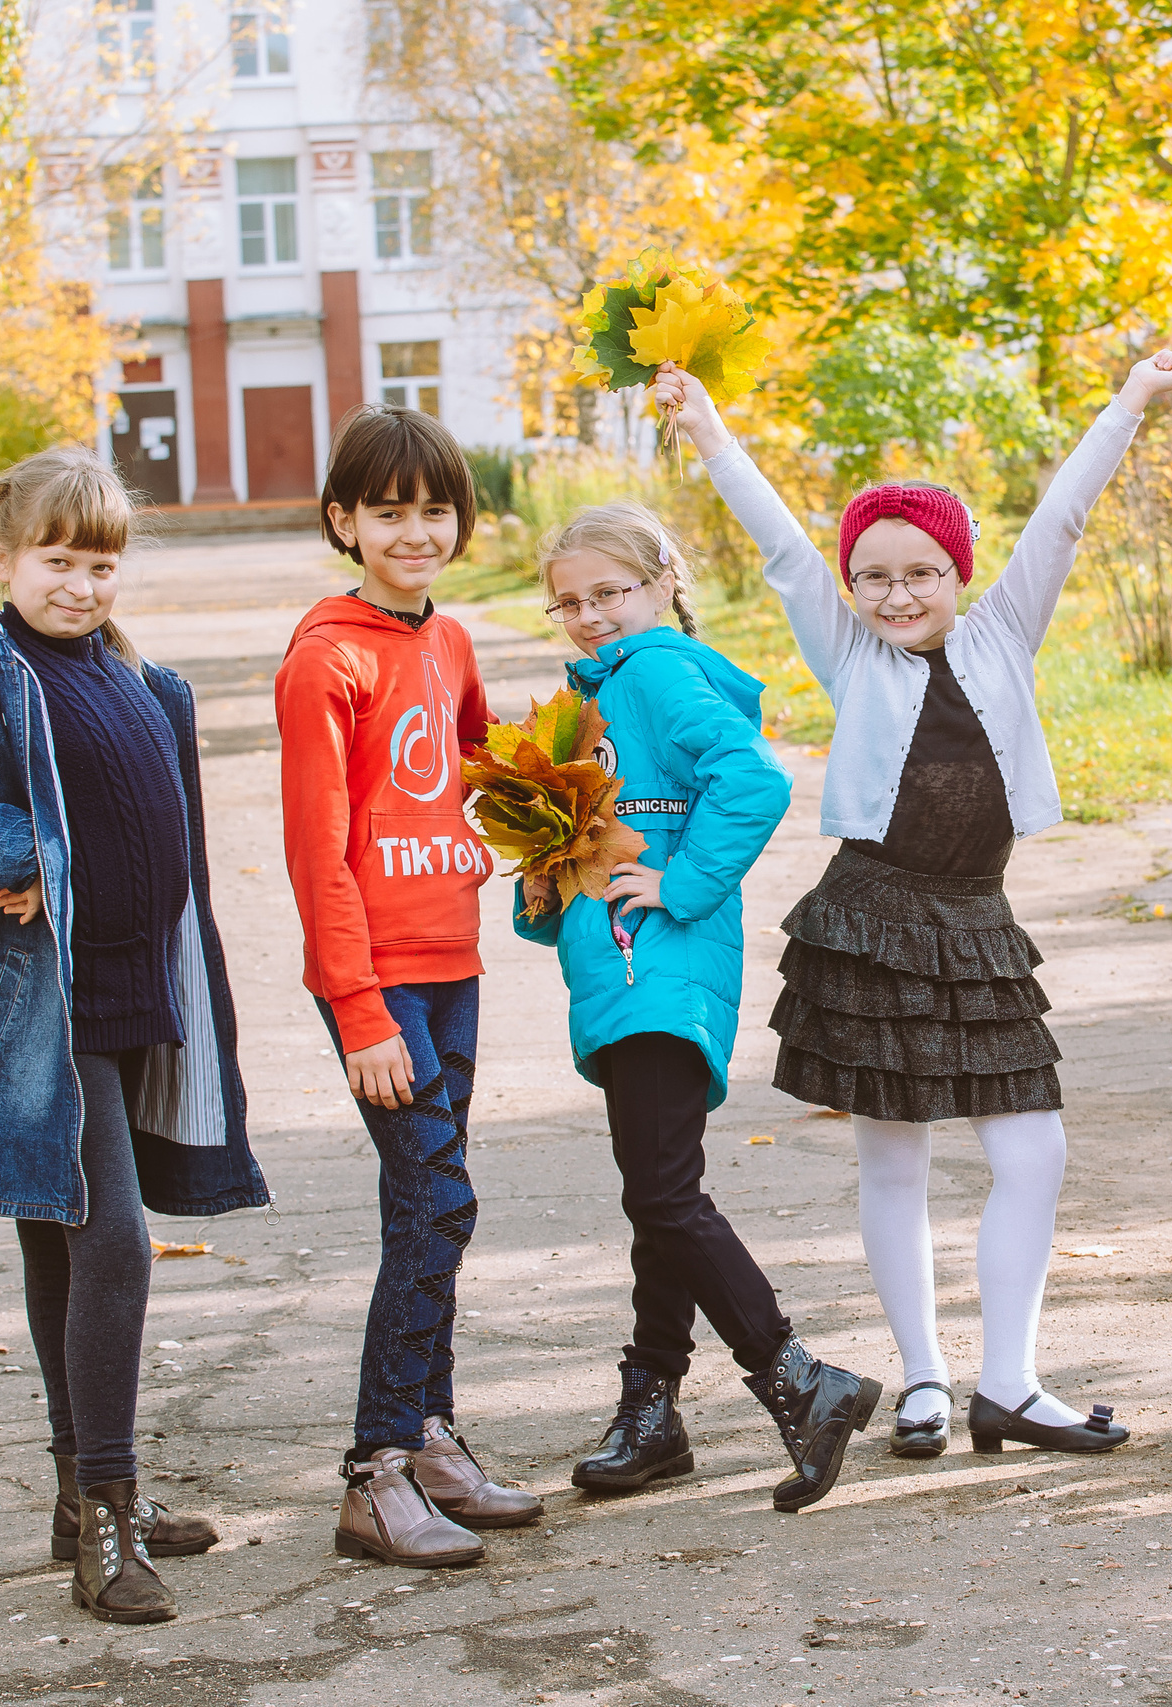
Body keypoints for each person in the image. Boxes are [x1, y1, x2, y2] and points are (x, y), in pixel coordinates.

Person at [658, 350, 1172, 1458]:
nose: (897, 594)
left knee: (1032, 1151)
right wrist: (709, 430)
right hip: (872, 916)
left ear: (959, 572)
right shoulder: (849, 653)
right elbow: (779, 548)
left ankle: (1011, 1382)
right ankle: (925, 1381)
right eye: (874, 576)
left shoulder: (1004, 631)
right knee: (894, 1158)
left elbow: (1060, 518)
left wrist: (1129, 402)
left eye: (920, 573)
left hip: (978, 920)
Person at [0, 445, 268, 1624]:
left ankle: (82, 1492)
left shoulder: (130, 674)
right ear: (1, 557)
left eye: (103, 562)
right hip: (48, 1012)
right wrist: (11, 850)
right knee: (115, 1244)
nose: (82, 584)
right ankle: (111, 1515)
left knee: (62, 1245)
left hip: (135, 1002)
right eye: (59, 561)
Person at [517, 502, 883, 1513]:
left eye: (609, 592)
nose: (590, 615)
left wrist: (679, 887)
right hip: (624, 963)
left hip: (659, 959)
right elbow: (614, 824)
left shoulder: (656, 671)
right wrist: (546, 876)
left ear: (663, 580)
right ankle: (652, 1409)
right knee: (656, 1190)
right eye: (569, 603)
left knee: (664, 1195)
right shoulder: (597, 695)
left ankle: (798, 1377)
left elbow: (750, 780)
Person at [276, 406, 542, 1568]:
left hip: (454, 969)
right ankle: (375, 1470)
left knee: (433, 1206)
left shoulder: (449, 641)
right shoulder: (324, 657)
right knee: (435, 1205)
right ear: (344, 521)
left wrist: (572, 770)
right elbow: (315, 851)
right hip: (381, 989)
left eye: (434, 510)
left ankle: (431, 1441)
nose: (415, 531)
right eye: (388, 512)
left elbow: (482, 766)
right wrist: (358, 1009)